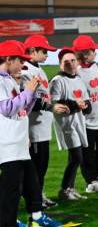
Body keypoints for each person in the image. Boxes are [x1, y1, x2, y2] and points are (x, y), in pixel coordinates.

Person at [0, 40, 61, 227]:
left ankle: (13, 225)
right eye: (20, 61)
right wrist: (27, 91)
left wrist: (31, 93)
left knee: (29, 183)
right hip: (6, 144)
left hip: (18, 142)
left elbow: (22, 108)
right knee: (10, 189)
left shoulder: (8, 79)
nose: (22, 65)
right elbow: (7, 108)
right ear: (9, 60)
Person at [49, 47, 92, 200]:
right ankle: (64, 189)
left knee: (74, 157)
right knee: (77, 157)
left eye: (73, 60)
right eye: (66, 62)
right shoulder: (57, 81)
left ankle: (70, 189)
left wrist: (86, 106)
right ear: (60, 64)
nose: (70, 64)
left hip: (78, 122)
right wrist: (75, 104)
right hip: (66, 124)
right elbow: (55, 103)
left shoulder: (79, 79)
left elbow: (87, 102)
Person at [22, 34, 59, 209]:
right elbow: (29, 101)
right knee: (36, 169)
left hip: (43, 128)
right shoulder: (26, 71)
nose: (47, 54)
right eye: (44, 51)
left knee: (42, 167)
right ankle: (35, 200)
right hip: (34, 129)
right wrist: (52, 108)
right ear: (32, 51)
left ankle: (39, 195)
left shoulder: (38, 69)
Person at [73, 35, 98, 194]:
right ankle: (90, 181)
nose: (96, 53)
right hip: (87, 121)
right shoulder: (77, 71)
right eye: (93, 50)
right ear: (84, 53)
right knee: (88, 153)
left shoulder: (95, 67)